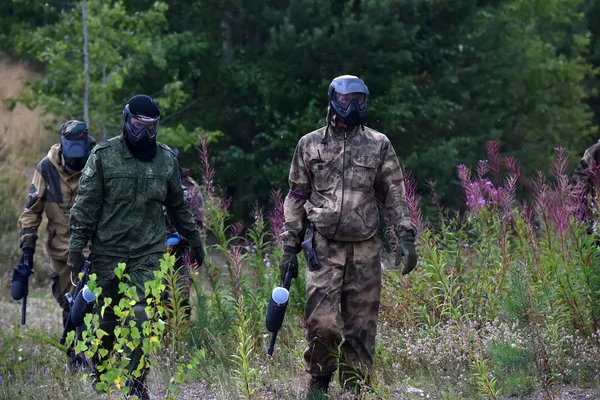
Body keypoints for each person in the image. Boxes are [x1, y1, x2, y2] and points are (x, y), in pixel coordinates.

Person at [279, 75, 418, 399]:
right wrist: (290, 245)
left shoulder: (378, 143)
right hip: (324, 247)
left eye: (359, 99)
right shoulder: (310, 144)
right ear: (333, 100)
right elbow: (296, 196)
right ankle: (318, 384)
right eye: (347, 100)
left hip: (366, 248)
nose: (353, 106)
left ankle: (356, 390)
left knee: (361, 328)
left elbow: (394, 192)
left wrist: (406, 236)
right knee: (323, 324)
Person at [68, 94, 205, 399]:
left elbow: (178, 206)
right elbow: (86, 206)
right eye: (137, 125)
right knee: (105, 320)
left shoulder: (166, 159)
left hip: (149, 253)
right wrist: (77, 249)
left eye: (150, 127)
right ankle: (102, 375)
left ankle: (137, 383)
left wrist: (195, 241)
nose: (144, 133)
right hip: (108, 254)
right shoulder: (104, 155)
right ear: (126, 121)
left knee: (142, 316)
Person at [17, 120, 93, 327]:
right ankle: (73, 353)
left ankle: (94, 355)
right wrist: (27, 249)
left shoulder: (99, 161)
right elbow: (32, 210)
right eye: (71, 161)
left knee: (95, 309)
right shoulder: (47, 168)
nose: (74, 166)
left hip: (95, 251)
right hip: (62, 253)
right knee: (68, 307)